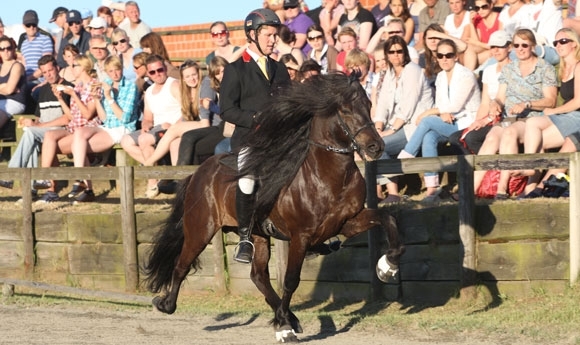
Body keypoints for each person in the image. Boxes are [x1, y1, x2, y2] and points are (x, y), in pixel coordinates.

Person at [220, 8, 290, 264]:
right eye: (269, 35)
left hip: (281, 139)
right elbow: (227, 109)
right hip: (250, 139)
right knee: (248, 179)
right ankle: (245, 237)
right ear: (252, 35)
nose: (273, 40)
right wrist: (253, 119)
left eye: (275, 35)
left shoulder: (280, 69)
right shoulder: (236, 69)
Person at [474, 28, 558, 198]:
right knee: (491, 137)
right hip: (509, 116)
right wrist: (494, 104)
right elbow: (500, 97)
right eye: (516, 45)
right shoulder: (509, 69)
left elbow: (551, 100)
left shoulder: (545, 68)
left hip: (532, 117)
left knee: (510, 132)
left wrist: (528, 103)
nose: (520, 48)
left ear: (532, 46)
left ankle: (501, 188)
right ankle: (470, 189)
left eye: (524, 45)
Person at [398, 39, 481, 202]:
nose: (444, 59)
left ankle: (406, 156)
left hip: (467, 123)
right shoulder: (441, 76)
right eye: (440, 55)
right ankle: (432, 189)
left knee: (427, 121)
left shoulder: (466, 75)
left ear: (456, 57)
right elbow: (443, 105)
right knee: (429, 137)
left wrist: (429, 112)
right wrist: (442, 113)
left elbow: (455, 105)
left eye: (448, 55)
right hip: (451, 121)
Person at [518, 28, 580, 198]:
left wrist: (553, 110)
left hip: (577, 117)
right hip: (568, 116)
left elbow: (577, 102)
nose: (558, 45)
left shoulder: (579, 66)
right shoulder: (563, 68)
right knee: (536, 138)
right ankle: (531, 188)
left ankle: (533, 175)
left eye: (563, 41)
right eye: (556, 42)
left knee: (535, 128)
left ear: (574, 44)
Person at [70, 55, 139, 203]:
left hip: (122, 128)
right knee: (79, 134)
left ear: (122, 69)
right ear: (107, 72)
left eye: (117, 70)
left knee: (79, 147)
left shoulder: (130, 86)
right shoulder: (106, 83)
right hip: (108, 126)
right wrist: (96, 99)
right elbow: (104, 118)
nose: (115, 74)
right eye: (111, 71)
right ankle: (80, 179)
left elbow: (124, 118)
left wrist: (109, 97)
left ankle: (86, 187)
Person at [373, 35, 434, 203]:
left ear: (405, 52)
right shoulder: (389, 73)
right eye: (391, 52)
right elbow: (383, 103)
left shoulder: (413, 70)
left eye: (399, 51)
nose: (395, 55)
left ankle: (393, 194)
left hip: (414, 126)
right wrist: (378, 127)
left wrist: (390, 130)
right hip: (398, 124)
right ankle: (377, 193)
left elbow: (409, 105)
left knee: (380, 146)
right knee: (372, 142)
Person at [0, 55, 73, 194]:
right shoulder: (42, 90)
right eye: (44, 72)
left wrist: (39, 126)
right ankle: (32, 190)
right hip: (45, 130)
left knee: (32, 133)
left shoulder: (67, 88)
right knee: (30, 134)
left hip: (62, 131)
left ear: (57, 68)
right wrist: (34, 122)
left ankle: (11, 174)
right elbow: (40, 118)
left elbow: (67, 119)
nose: (48, 75)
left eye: (50, 70)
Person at [36, 55, 101, 203]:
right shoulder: (77, 86)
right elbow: (71, 116)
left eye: (74, 66)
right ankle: (46, 178)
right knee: (50, 136)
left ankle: (84, 188)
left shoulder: (93, 85)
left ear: (83, 67)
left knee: (52, 145)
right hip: (74, 128)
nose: (71, 69)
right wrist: (60, 98)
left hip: (88, 129)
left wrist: (72, 95)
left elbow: (88, 114)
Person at [119, 54, 182, 198]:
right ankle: (158, 171)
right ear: (148, 73)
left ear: (165, 68)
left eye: (160, 70)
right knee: (126, 141)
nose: (157, 74)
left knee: (144, 140)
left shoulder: (174, 85)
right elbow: (148, 118)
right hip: (156, 128)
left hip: (172, 127)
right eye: (152, 72)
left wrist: (174, 127)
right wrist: (145, 125)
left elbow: (186, 111)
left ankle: (152, 182)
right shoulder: (149, 92)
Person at [448, 30, 512, 155]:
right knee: (455, 138)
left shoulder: (513, 69)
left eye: (500, 46)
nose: (496, 50)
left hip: (504, 118)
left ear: (509, 47)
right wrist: (476, 122)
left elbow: (502, 101)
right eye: (493, 47)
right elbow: (484, 103)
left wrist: (484, 121)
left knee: (472, 138)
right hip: (488, 117)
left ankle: (490, 170)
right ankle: (471, 173)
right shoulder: (489, 71)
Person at [142, 60, 209, 168]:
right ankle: (178, 180)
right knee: (174, 144)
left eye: (194, 75)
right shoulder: (186, 90)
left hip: (208, 124)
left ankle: (150, 161)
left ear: (199, 73)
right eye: (187, 76)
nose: (191, 79)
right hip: (196, 124)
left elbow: (206, 119)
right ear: (183, 79)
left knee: (174, 129)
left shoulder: (205, 85)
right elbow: (187, 115)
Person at [177, 56, 228, 166]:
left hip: (228, 128)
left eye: (224, 71)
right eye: (217, 73)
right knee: (187, 137)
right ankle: (181, 179)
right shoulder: (220, 86)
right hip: (221, 127)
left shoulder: (233, 85)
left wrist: (211, 106)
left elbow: (230, 112)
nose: (221, 75)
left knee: (192, 143)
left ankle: (180, 178)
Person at [19, 10, 54, 92]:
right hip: (26, 79)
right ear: (24, 26)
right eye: (28, 25)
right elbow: (24, 65)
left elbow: (46, 64)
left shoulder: (45, 39)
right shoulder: (24, 43)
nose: (31, 27)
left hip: (40, 80)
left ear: (37, 24)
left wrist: (28, 78)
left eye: (34, 24)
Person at [461, 0, 502, 70]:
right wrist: (471, 23)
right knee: (469, 48)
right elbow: (477, 42)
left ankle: (468, 74)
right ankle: (469, 74)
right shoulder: (478, 19)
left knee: (471, 58)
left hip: (495, 50)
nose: (481, 10)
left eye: (484, 7)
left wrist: (475, 43)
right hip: (484, 48)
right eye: (477, 8)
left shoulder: (500, 18)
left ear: (491, 5)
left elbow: (499, 44)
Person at [0, 36, 27, 131]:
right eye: (2, 49)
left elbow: (9, 90)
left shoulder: (17, 66)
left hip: (14, 102)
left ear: (13, 49)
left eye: (8, 48)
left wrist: (6, 88)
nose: (5, 51)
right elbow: (7, 89)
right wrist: (4, 86)